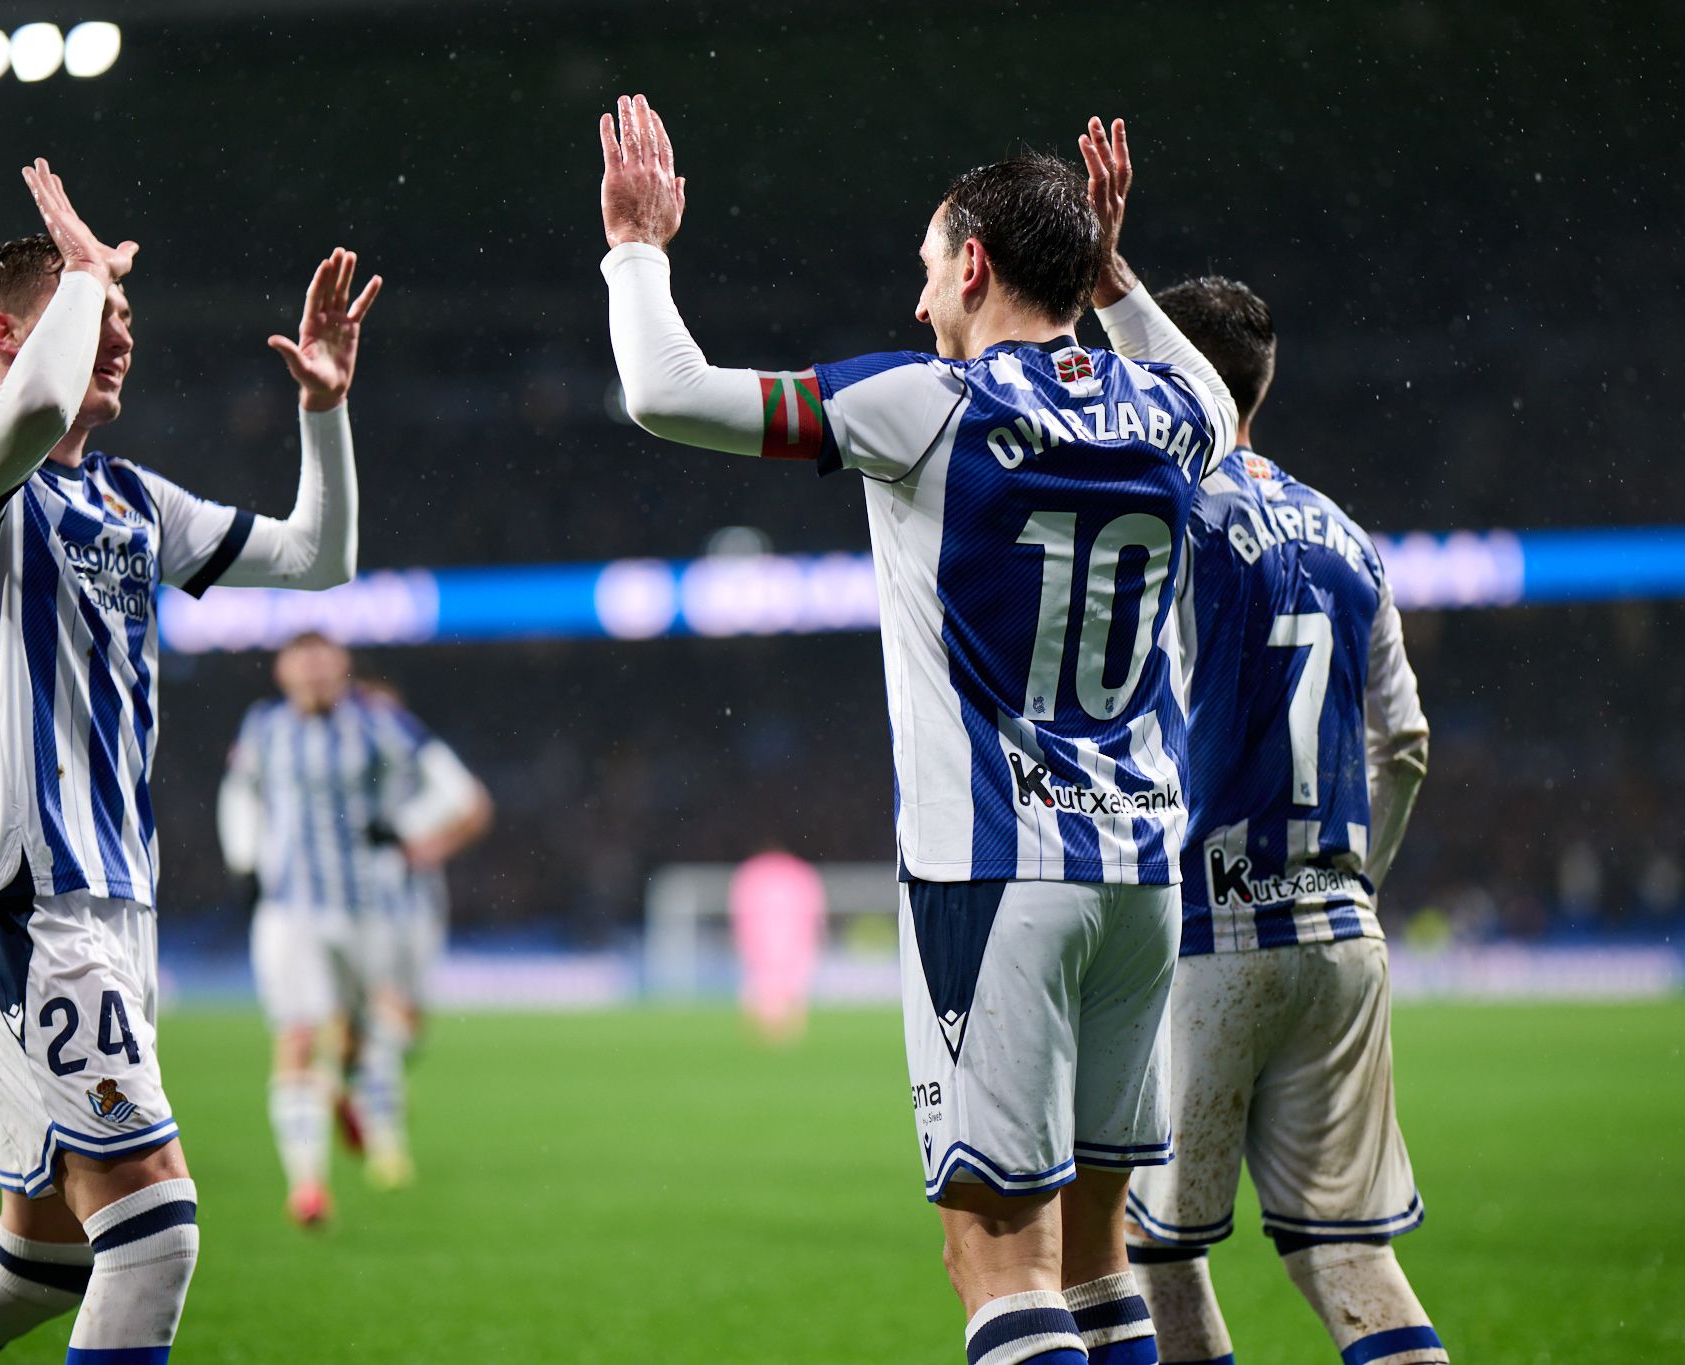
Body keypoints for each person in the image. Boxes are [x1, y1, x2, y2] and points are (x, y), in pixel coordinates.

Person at [598, 96, 1236, 1365]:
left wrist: (634, 249)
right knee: (1101, 1254)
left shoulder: (926, 404)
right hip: (1137, 879)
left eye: (927, 269)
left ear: (974, 266)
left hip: (992, 878)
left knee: (996, 1258)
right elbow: (1217, 391)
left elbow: (665, 396)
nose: (917, 303)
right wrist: (1109, 273)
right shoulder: (1168, 413)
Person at [0, 160, 379, 1365]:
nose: (120, 337)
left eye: (126, 319)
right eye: (93, 315)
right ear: (6, 333)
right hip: (21, 904)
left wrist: (324, 412)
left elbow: (319, 561)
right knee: (154, 1238)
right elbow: (30, 416)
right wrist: (89, 274)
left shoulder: (133, 502)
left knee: (41, 1263)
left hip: (114, 911)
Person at [1112, 271, 1445, 1365]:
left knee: (1148, 1247)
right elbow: (1404, 746)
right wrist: (1355, 882)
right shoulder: (1350, 539)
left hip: (1210, 934)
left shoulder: (1168, 519)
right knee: (1345, 1255)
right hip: (1342, 938)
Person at [217, 638, 490, 1222]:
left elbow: (461, 794)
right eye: (302, 664)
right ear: (282, 671)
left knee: (382, 1032)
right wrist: (245, 862)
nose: (314, 675)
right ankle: (309, 1185)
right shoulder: (264, 728)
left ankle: (368, 1121)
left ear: (344, 668)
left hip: (372, 908)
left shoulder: (381, 725)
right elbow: (238, 793)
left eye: (323, 663)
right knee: (296, 1034)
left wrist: (409, 832)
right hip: (291, 910)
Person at [728, 847, 827, 1044]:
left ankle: (766, 1027)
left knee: (766, 982)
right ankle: (786, 1028)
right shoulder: (801, 876)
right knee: (787, 983)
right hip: (789, 943)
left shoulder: (752, 877)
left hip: (766, 944)